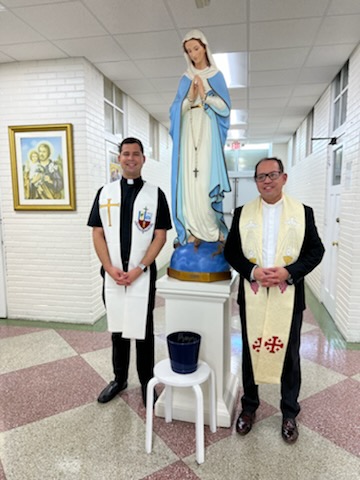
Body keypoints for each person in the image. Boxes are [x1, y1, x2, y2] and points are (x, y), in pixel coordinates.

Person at [224, 157, 325, 443]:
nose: (266, 181)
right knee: (251, 351)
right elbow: (232, 252)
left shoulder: (303, 213)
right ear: (255, 181)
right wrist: (252, 271)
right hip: (253, 293)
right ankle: (249, 407)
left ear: (284, 178)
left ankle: (289, 411)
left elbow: (315, 252)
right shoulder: (242, 213)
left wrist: (288, 272)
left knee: (290, 354)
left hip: (287, 295)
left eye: (272, 175)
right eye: (260, 177)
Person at [87, 137, 172, 407]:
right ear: (119, 158)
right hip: (112, 275)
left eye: (136, 154)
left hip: (141, 275)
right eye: (126, 154)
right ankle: (119, 379)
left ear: (143, 159)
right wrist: (110, 268)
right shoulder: (105, 193)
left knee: (143, 330)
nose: (131, 158)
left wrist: (140, 267)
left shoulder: (155, 194)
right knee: (118, 328)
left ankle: (147, 382)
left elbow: (160, 236)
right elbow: (97, 233)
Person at [169, 29, 231, 246]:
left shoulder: (217, 76)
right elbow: (175, 111)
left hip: (208, 132)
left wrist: (205, 96)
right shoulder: (184, 79)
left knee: (205, 182)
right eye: (189, 51)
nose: (194, 54)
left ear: (205, 47)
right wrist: (190, 98)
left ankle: (212, 231)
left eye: (196, 48)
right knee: (188, 184)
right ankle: (192, 230)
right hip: (188, 134)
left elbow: (225, 109)